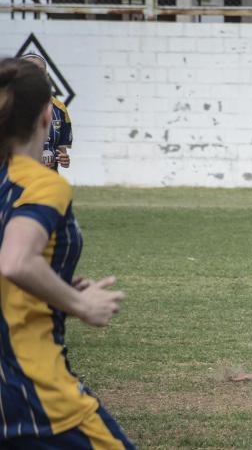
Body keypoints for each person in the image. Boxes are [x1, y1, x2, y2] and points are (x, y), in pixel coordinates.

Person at [0, 57, 135, 449]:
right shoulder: (41, 183)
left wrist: (53, 282)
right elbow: (15, 260)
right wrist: (79, 303)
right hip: (32, 384)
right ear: (47, 115)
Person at [20, 53, 72, 171]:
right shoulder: (9, 106)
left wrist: (64, 159)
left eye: (40, 70)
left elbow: (62, 153)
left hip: (48, 179)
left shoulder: (59, 109)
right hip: (17, 180)